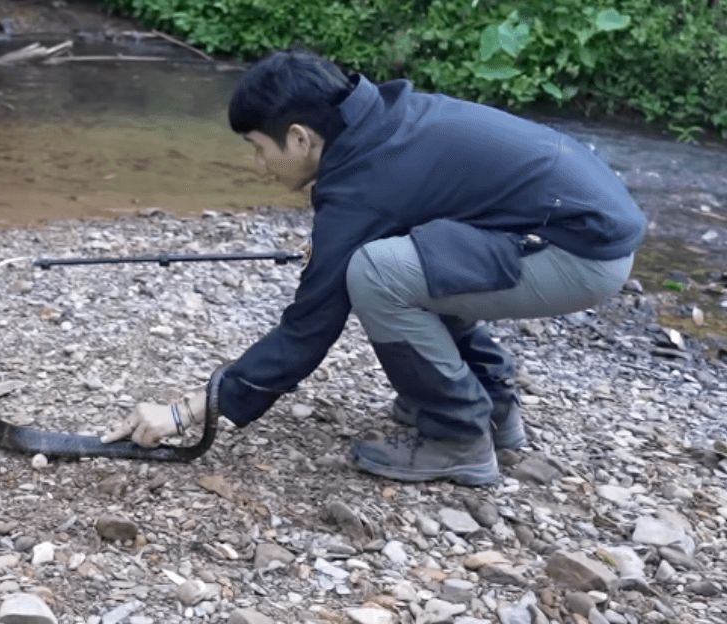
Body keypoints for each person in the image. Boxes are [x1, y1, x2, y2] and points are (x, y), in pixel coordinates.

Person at [101, 49, 646, 486]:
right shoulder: (381, 123)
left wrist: (186, 412)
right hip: (577, 228)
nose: (257, 166)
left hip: (580, 254)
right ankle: (493, 409)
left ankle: (458, 437)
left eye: (258, 148)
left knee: (375, 273)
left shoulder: (365, 183)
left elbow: (309, 328)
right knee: (399, 254)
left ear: (299, 137)